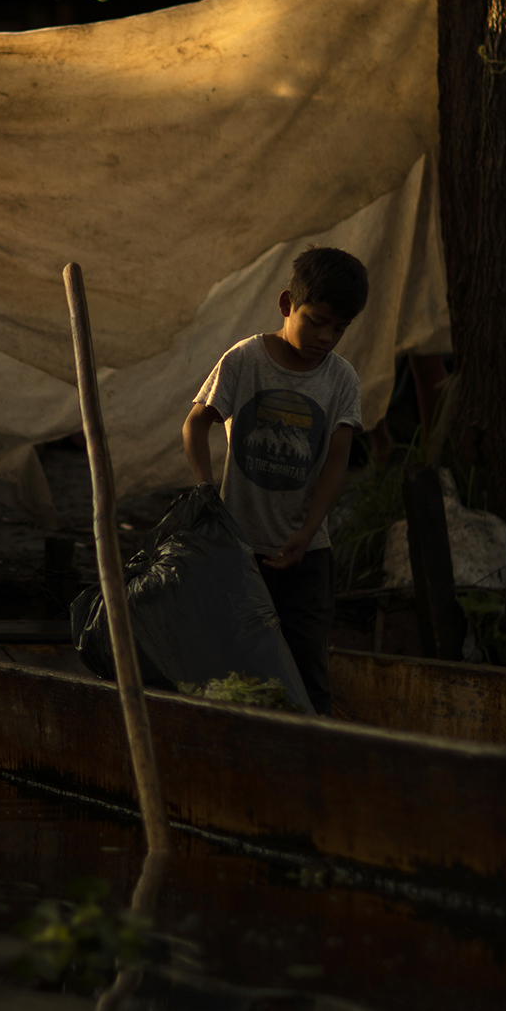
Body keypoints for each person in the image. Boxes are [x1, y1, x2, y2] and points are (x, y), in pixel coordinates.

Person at [182, 246, 368, 715]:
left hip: (306, 556)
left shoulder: (341, 380)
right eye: (318, 321)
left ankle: (312, 767)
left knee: (308, 675)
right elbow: (196, 424)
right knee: (236, 673)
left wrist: (307, 532)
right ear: (287, 305)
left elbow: (336, 460)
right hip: (241, 553)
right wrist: (207, 494)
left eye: (339, 328)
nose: (327, 337)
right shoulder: (245, 360)